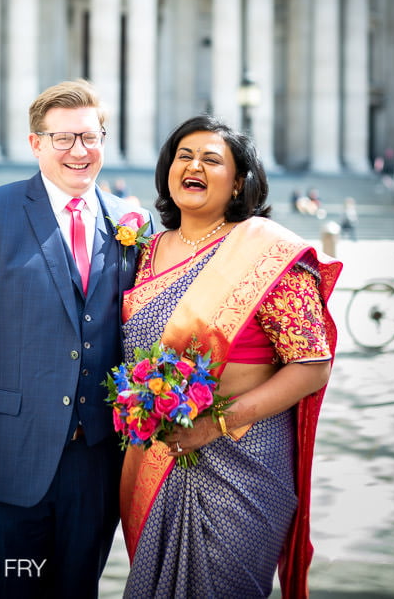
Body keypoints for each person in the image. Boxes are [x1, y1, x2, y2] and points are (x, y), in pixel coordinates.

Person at [0, 79, 153, 598]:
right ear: (36, 143)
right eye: (63, 139)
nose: (79, 151)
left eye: (90, 137)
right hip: (7, 461)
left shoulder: (131, 221)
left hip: (97, 463)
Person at [119, 115, 342, 599]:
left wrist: (215, 423)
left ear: (239, 181)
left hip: (244, 464)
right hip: (158, 460)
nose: (193, 165)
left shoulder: (268, 253)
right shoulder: (144, 253)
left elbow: (311, 364)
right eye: (184, 156)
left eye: (211, 159)